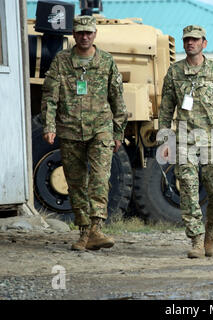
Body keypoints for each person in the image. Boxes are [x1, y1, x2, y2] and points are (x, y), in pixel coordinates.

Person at [41, 16, 128, 251]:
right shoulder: (61, 61)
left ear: (95, 34)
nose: (84, 37)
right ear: (74, 34)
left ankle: (97, 228)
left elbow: (117, 99)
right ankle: (84, 232)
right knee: (76, 182)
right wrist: (49, 126)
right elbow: (50, 97)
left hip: (100, 130)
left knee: (100, 179)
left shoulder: (106, 62)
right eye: (80, 33)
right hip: (69, 130)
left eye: (89, 33)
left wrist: (118, 131)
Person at [158, 25, 213, 258]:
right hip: (184, 139)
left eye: (195, 40)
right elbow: (165, 109)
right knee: (187, 189)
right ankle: (195, 239)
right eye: (187, 40)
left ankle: (211, 229)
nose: (190, 43)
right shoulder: (174, 72)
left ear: (204, 43)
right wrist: (164, 140)